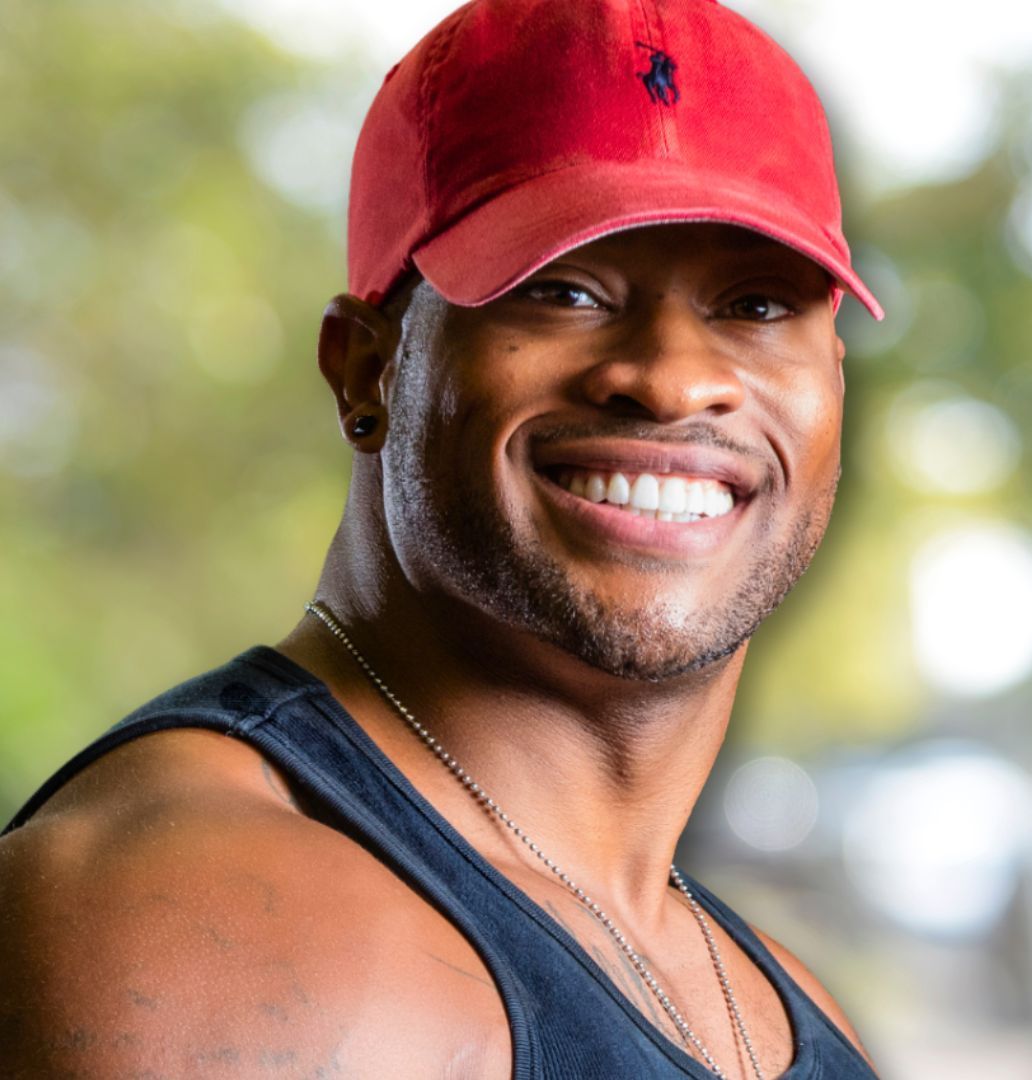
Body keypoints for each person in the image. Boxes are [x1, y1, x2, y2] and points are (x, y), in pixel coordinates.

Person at [0, 1, 886, 1076]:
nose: (672, 378)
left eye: (755, 306)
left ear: (833, 384)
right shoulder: (205, 928)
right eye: (563, 288)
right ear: (367, 365)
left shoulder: (783, 1004)